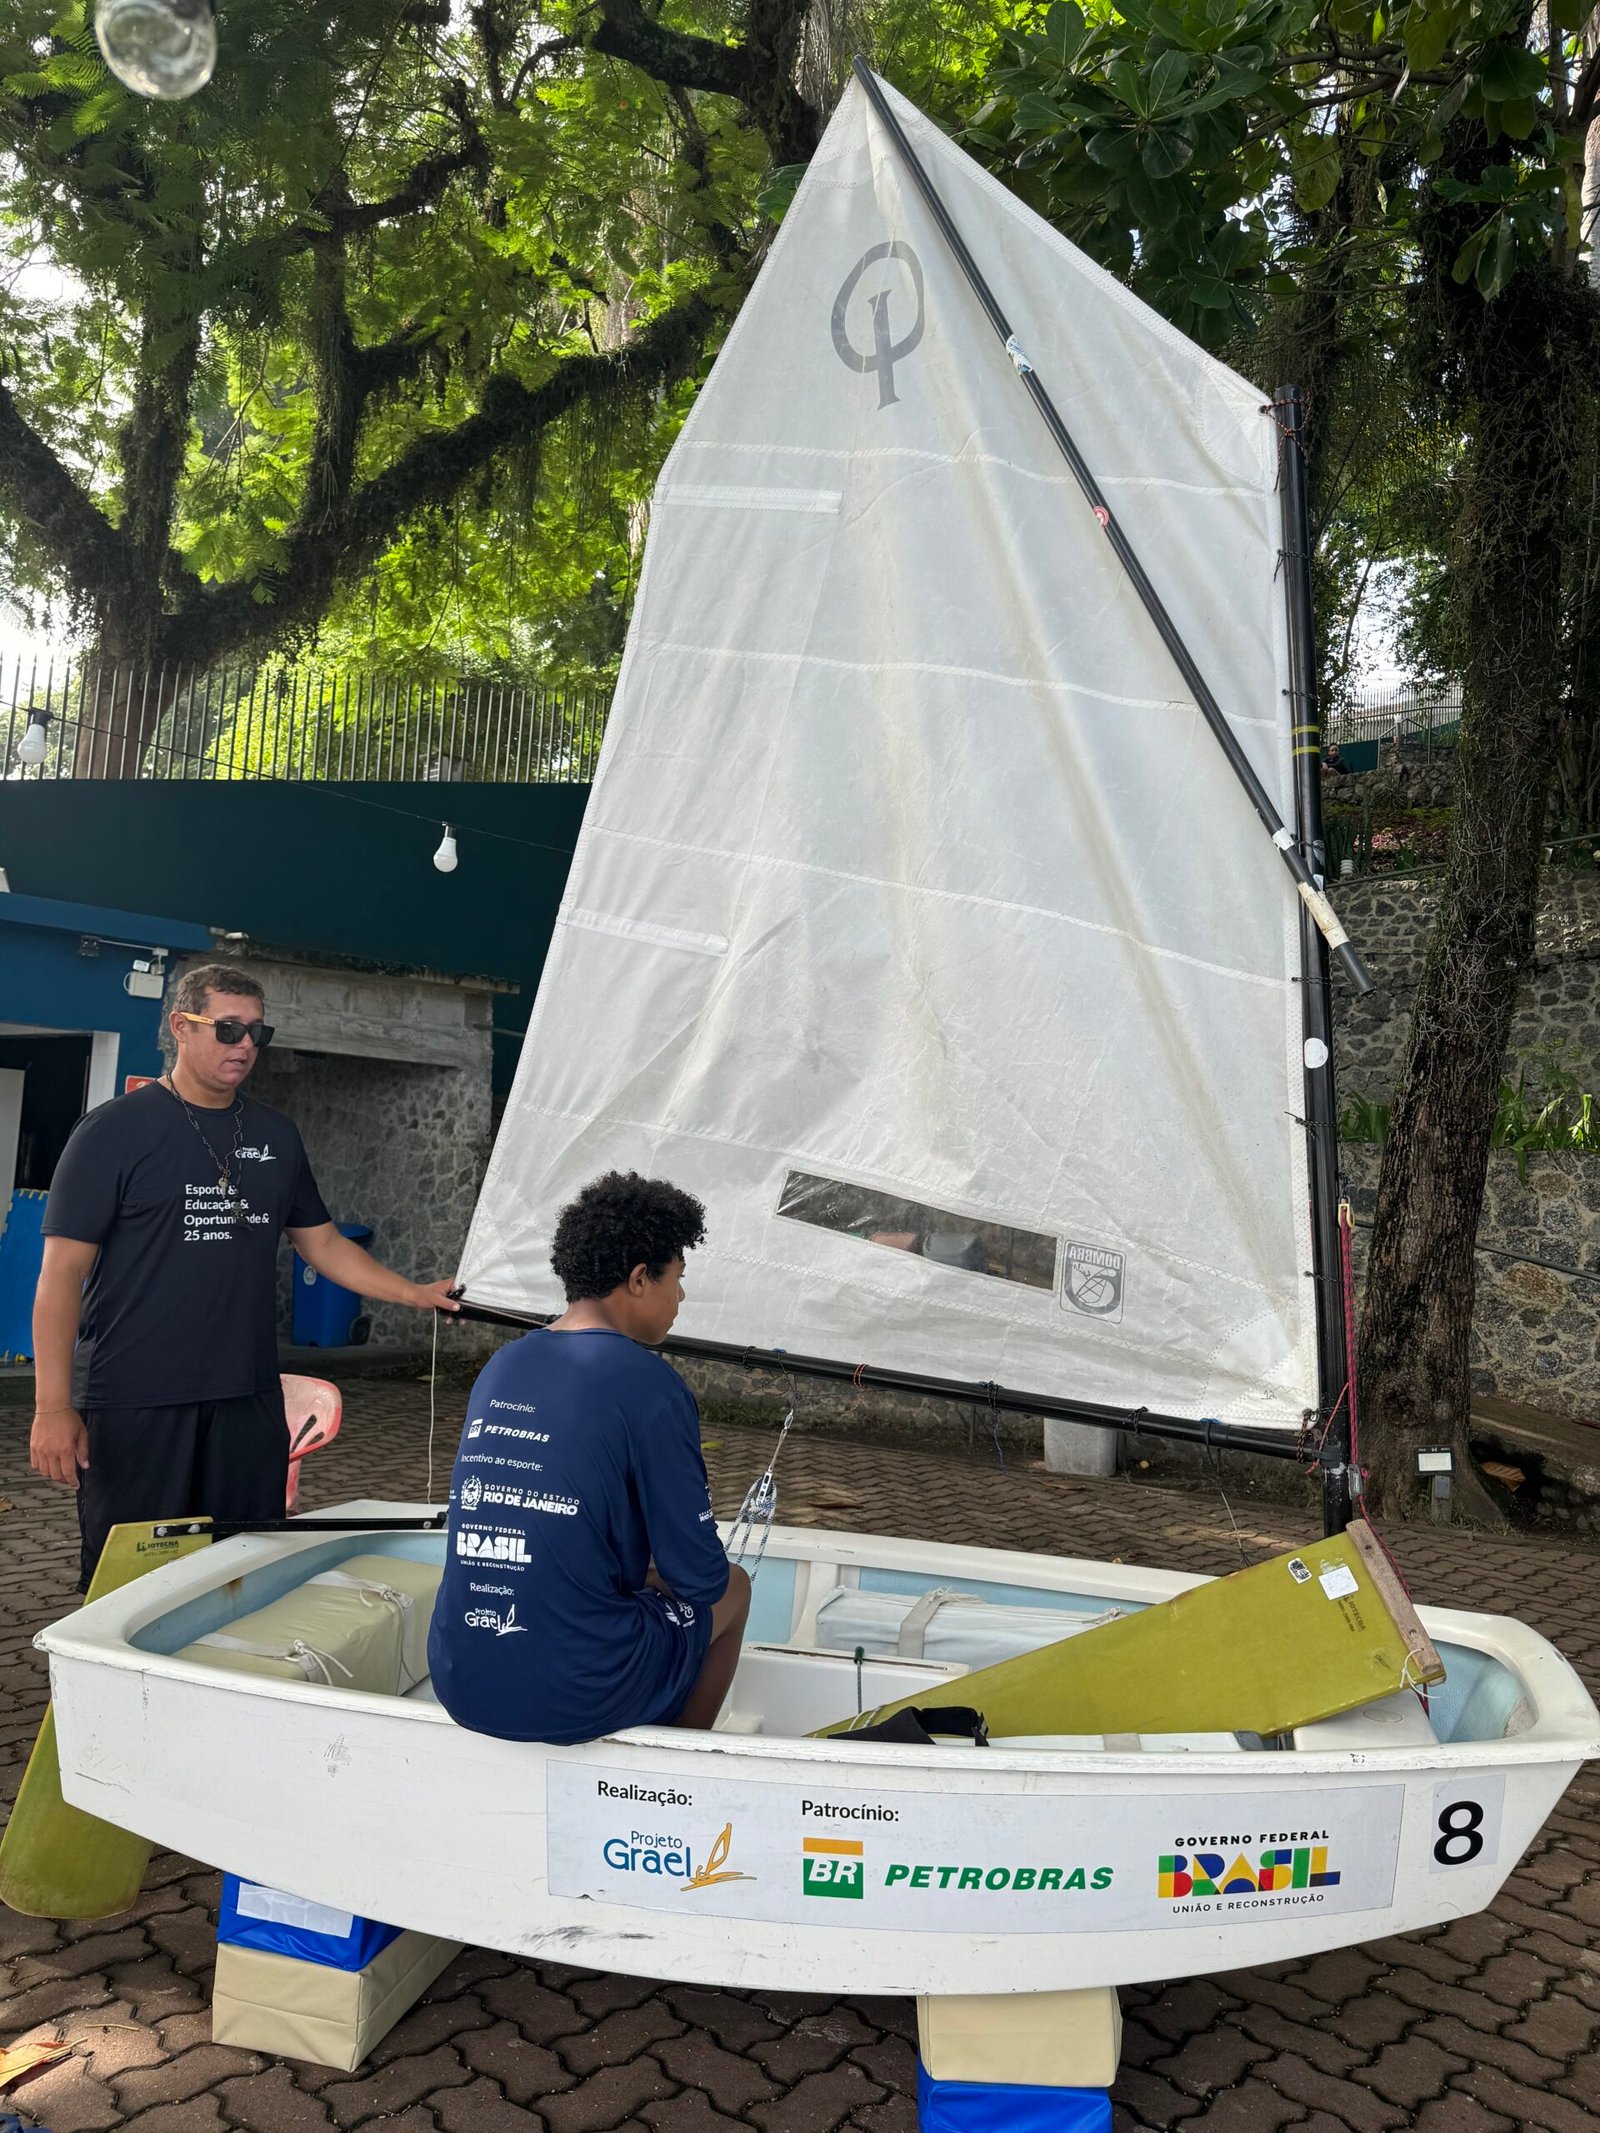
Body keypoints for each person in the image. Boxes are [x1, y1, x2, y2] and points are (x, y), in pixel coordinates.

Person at [31, 962, 460, 1587]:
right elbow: (60, 1277)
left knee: (243, 1567)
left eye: (258, 1033)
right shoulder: (113, 1133)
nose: (245, 1046)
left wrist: (413, 1293)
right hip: (137, 1398)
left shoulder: (276, 1137)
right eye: (228, 1029)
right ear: (182, 1026)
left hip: (245, 1396)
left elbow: (324, 1244)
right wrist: (51, 1406)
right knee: (130, 1580)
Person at [428, 1171, 749, 1744]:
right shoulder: (650, 1385)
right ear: (639, 1279)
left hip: (461, 1675)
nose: (680, 1297)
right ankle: (679, 1769)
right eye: (677, 1279)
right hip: (576, 1690)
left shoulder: (502, 1365)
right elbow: (699, 1578)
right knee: (736, 1586)